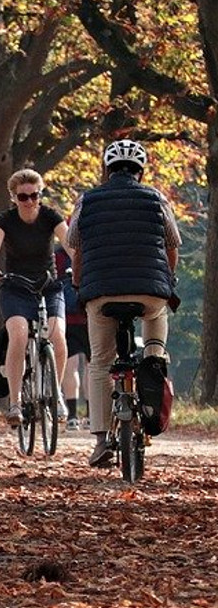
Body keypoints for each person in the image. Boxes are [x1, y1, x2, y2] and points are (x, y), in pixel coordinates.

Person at [67, 139, 181, 468]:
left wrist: (78, 282)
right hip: (149, 292)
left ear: (107, 169)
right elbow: (172, 245)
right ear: (141, 170)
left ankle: (101, 441)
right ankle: (153, 361)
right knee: (157, 326)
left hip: (101, 292)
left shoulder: (86, 200)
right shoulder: (157, 198)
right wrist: (167, 278)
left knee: (100, 363)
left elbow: (76, 247)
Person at [0, 168, 71, 427]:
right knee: (19, 333)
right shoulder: (5, 220)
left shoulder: (50, 216)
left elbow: (70, 243)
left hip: (48, 285)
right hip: (16, 286)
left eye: (35, 195)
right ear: (13, 198)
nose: (30, 201)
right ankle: (15, 402)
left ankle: (56, 396)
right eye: (23, 197)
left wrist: (79, 265)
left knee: (58, 336)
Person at [54, 246, 90, 430]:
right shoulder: (91, 246)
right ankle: (93, 415)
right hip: (90, 314)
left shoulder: (59, 254)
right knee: (94, 366)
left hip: (67, 317)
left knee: (71, 366)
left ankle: (73, 416)